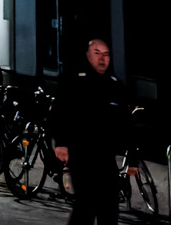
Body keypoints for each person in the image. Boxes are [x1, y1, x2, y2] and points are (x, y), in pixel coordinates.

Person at [51, 36, 142, 225]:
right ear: (88, 55)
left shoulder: (114, 84)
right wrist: (61, 143)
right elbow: (59, 112)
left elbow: (126, 122)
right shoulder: (75, 80)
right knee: (87, 203)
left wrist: (132, 155)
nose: (102, 58)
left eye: (106, 54)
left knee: (110, 205)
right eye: (97, 53)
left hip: (105, 156)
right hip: (81, 153)